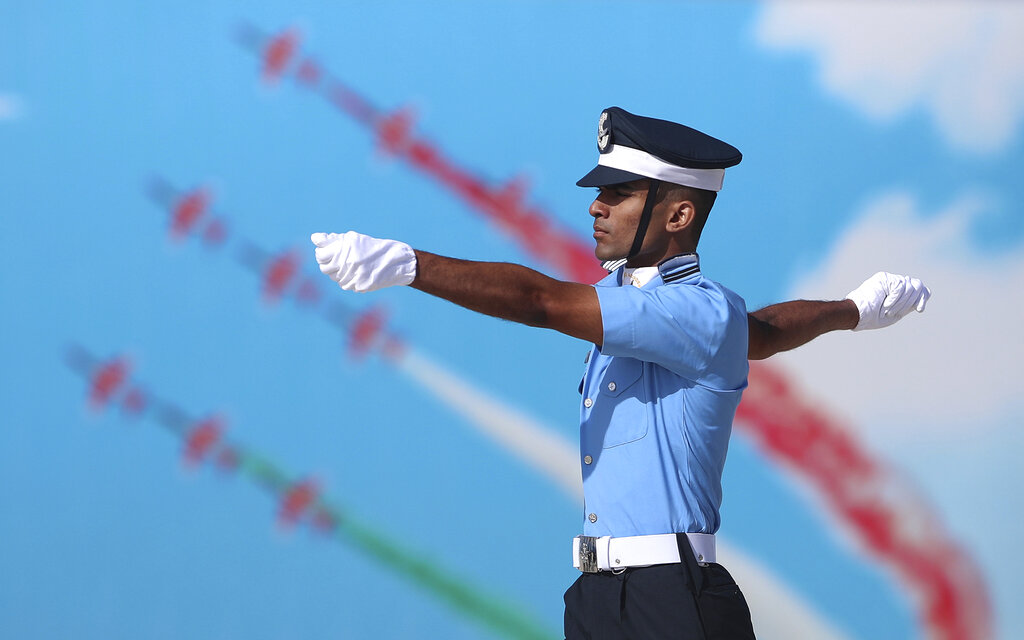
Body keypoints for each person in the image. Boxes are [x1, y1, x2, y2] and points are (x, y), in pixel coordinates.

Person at [310, 106, 930, 639]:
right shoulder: (661, 307)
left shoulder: (694, 309)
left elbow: (540, 301)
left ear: (678, 215)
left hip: (669, 598)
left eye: (619, 194)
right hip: (599, 595)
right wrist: (853, 310)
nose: (596, 207)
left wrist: (408, 264)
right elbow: (764, 332)